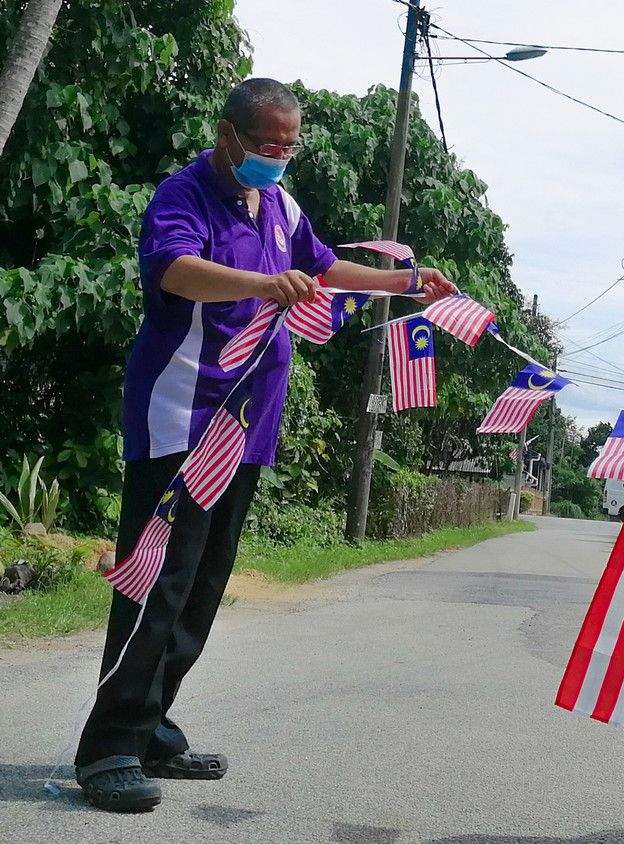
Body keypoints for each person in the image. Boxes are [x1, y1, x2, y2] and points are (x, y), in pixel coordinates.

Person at [74, 78, 456, 812]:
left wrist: (405, 282)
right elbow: (173, 270)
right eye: (267, 144)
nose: (279, 157)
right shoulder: (184, 193)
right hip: (182, 420)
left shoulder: (279, 203)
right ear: (229, 135)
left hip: (247, 424)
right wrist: (262, 282)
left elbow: (320, 269)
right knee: (159, 579)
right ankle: (109, 748)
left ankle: (151, 726)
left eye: (290, 145)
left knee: (204, 584)